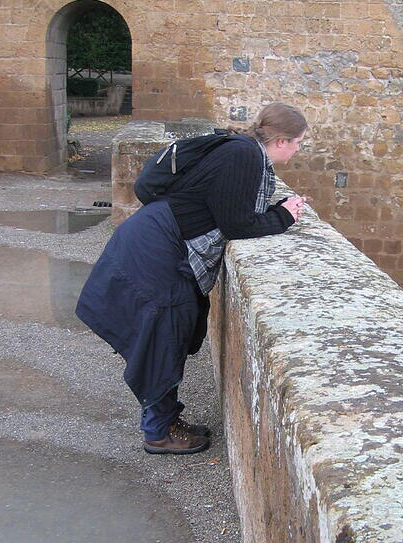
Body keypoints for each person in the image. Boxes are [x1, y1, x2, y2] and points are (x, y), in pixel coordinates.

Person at [76, 102, 308, 455]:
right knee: (163, 339)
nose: (298, 150)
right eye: (299, 143)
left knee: (172, 334)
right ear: (281, 141)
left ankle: (167, 418)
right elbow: (237, 225)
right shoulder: (244, 157)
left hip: (158, 238)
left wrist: (276, 212)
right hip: (159, 248)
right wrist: (285, 216)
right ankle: (157, 433)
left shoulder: (241, 151)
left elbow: (228, 209)